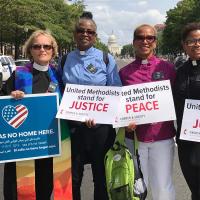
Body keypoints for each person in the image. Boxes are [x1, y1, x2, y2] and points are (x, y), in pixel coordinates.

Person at [61, 11, 121, 200]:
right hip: (73, 129)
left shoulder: (106, 58)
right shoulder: (64, 60)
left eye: (90, 32)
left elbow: (115, 90)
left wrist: (102, 116)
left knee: (101, 177)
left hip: (100, 129)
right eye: (81, 30)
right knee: (74, 178)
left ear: (95, 36)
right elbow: (58, 90)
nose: (85, 34)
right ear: (74, 34)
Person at [1, 30, 61, 200]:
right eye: (37, 46)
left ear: (53, 50)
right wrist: (11, 97)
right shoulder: (19, 75)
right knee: (17, 192)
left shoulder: (59, 76)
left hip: (48, 148)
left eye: (47, 46)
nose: (42, 49)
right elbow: (3, 104)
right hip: (23, 146)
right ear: (30, 50)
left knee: (44, 190)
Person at [119, 24, 176, 200]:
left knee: (163, 187)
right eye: (140, 37)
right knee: (136, 187)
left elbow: (179, 98)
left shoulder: (168, 69)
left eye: (149, 38)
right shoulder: (124, 73)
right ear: (134, 42)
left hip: (163, 137)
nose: (145, 41)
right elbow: (117, 105)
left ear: (155, 42)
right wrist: (123, 122)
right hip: (135, 139)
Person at [174, 22, 200, 200]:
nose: (196, 44)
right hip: (187, 140)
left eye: (199, 40)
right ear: (184, 45)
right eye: (191, 41)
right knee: (195, 188)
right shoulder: (179, 72)